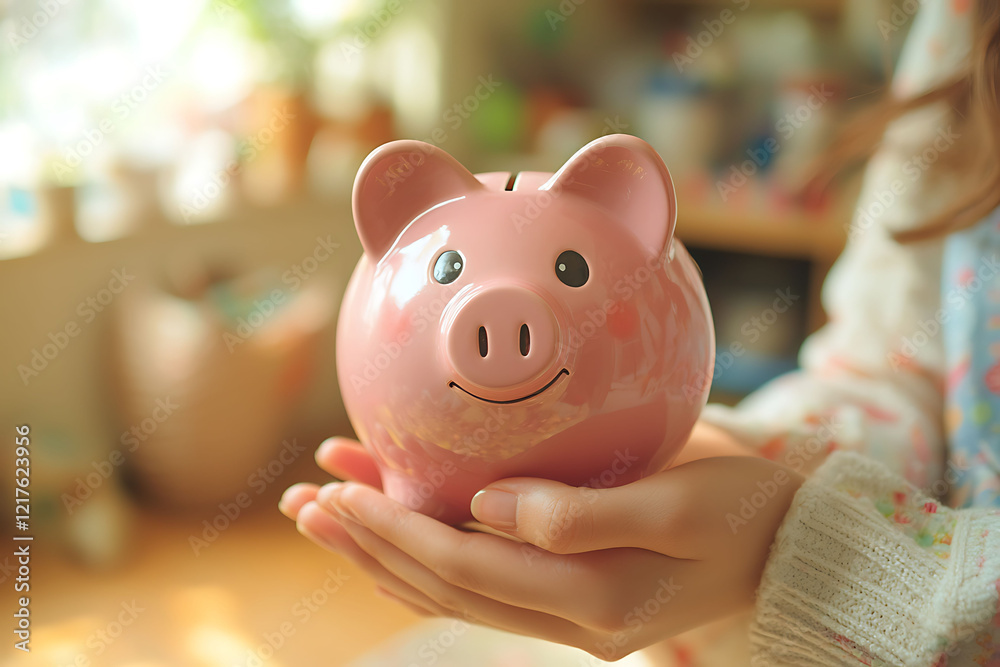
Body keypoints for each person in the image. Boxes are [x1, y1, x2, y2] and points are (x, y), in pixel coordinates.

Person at [280, 0, 1000, 663]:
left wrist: (823, 554)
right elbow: (890, 371)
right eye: (447, 270)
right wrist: (747, 456)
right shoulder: (962, 24)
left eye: (570, 266)